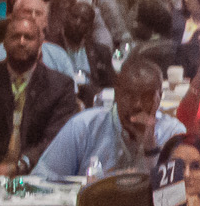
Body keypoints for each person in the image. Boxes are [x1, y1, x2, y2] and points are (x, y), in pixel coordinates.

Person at [0, 3, 79, 173]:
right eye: (15, 37)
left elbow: (56, 138)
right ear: (4, 43)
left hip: (38, 172)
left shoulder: (60, 86)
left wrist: (21, 165)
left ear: (40, 44)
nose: (21, 42)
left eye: (28, 37)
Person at [36, 57, 176, 182]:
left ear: (160, 97)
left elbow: (174, 195)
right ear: (116, 94)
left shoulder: (172, 133)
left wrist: (150, 148)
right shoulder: (84, 127)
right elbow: (41, 179)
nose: (137, 105)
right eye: (129, 95)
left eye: (146, 96)